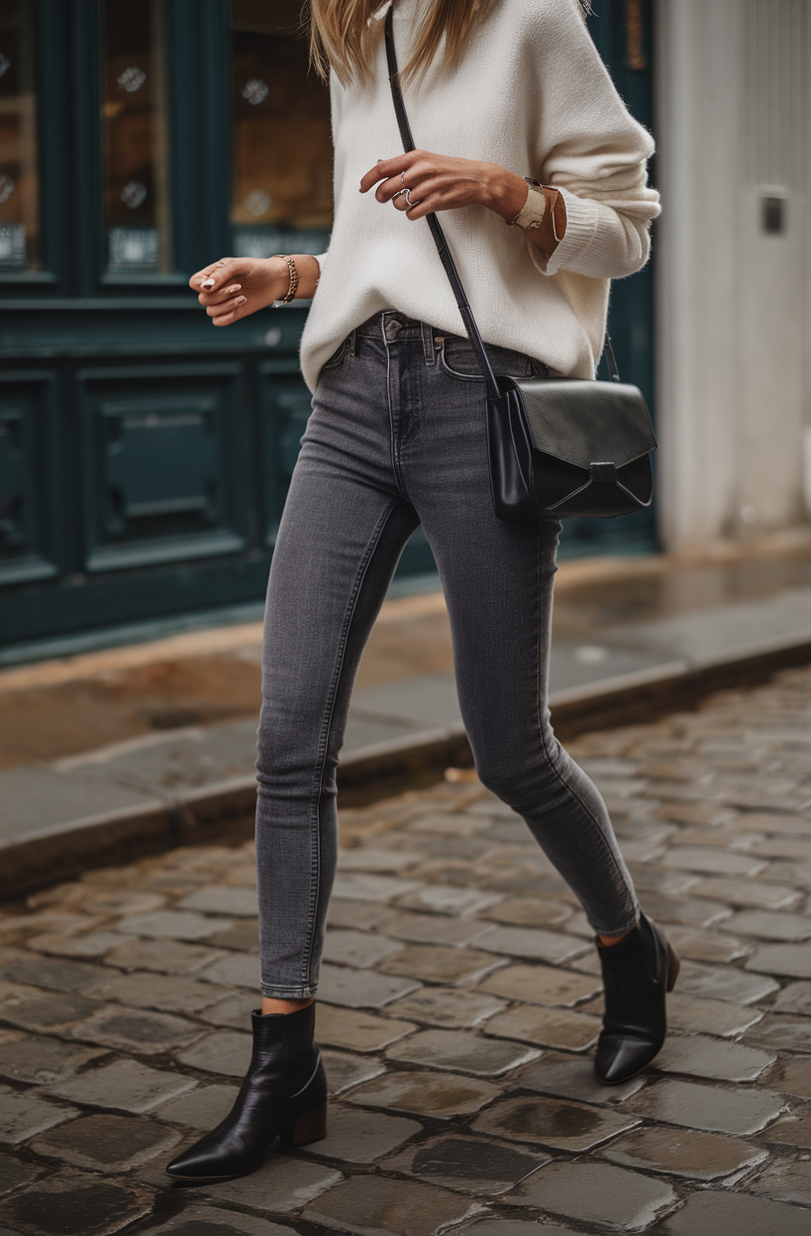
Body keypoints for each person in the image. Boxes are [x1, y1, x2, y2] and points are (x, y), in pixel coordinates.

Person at [166, 0, 670, 1185]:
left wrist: (510, 193)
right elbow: (379, 248)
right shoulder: (350, 27)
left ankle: (629, 947)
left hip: (480, 406)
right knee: (288, 742)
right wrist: (294, 272)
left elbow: (626, 232)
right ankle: (281, 1061)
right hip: (351, 400)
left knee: (509, 750)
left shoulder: (534, 19)